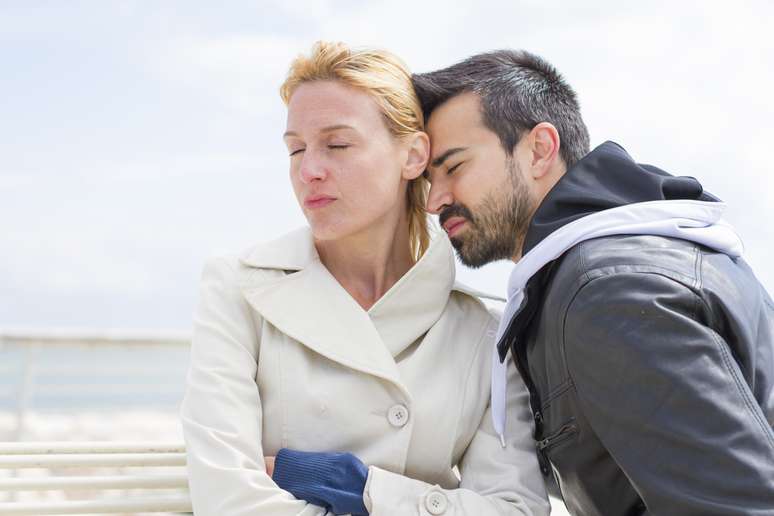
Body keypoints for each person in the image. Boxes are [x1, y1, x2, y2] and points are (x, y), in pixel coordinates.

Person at [179, 41, 549, 516]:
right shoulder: (239, 289)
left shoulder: (486, 331)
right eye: (295, 150)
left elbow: (516, 510)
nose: (309, 171)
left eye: (338, 145)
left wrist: (363, 489)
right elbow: (226, 496)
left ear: (413, 156)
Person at [412, 50, 774, 515]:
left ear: (539, 149)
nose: (434, 200)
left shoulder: (608, 293)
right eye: (427, 180)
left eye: (454, 167)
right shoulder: (613, 266)